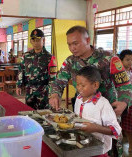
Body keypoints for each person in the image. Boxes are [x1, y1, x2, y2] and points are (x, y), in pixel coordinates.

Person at [49, 26, 132, 157]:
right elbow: (58, 81)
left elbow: (125, 85)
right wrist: (54, 94)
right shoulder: (70, 61)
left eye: (75, 43)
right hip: (85, 110)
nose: (72, 48)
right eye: (69, 44)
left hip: (108, 109)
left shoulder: (109, 59)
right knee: (85, 143)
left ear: (87, 40)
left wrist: (123, 102)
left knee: (110, 147)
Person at [75, 66, 121, 156]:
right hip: (82, 148)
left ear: (95, 85)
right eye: (77, 84)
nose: (79, 88)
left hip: (99, 151)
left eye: (83, 85)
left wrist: (94, 128)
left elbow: (116, 130)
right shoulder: (78, 99)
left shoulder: (103, 104)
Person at [16, 28, 57, 109]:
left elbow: (53, 78)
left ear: (43, 40)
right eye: (33, 40)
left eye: (38, 40)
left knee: (43, 115)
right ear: (31, 41)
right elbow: (21, 70)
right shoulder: (26, 56)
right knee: (29, 113)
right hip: (29, 91)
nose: (35, 43)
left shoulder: (50, 57)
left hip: (43, 92)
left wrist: (52, 93)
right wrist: (19, 85)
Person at [119, 49, 132, 155]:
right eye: (127, 60)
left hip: (130, 101)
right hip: (122, 102)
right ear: (121, 60)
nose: (130, 62)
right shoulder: (118, 73)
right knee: (126, 124)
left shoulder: (131, 71)